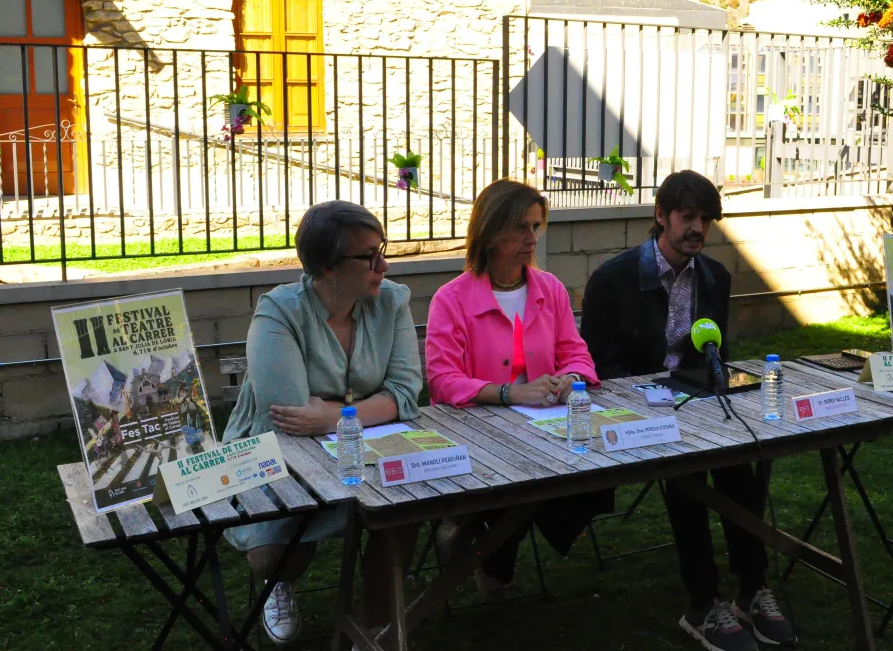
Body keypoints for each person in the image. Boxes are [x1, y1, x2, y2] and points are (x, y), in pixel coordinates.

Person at [580, 170, 795, 651]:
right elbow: (598, 364)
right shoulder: (613, 279)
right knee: (688, 472)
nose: (698, 228)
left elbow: (716, 352)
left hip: (699, 398)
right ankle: (703, 602)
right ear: (662, 216)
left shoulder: (715, 276)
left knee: (741, 461)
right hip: (636, 407)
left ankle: (752, 587)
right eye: (688, 216)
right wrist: (652, 400)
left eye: (707, 219)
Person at [221, 200, 423, 646]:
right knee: (272, 559)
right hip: (277, 451)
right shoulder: (279, 312)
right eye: (369, 256)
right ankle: (279, 584)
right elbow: (288, 415)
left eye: (382, 250)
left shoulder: (392, 301)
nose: (383, 265)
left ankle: (374, 626)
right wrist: (371, 405)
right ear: (330, 267)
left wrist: (333, 414)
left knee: (403, 507)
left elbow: (406, 393)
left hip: (364, 445)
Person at [425, 179, 611, 600]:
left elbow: (577, 353)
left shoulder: (551, 289)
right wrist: (508, 393)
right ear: (491, 232)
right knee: (522, 479)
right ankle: (489, 549)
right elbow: (442, 379)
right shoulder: (451, 299)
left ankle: (479, 539)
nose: (532, 238)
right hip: (481, 431)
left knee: (602, 472)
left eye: (536, 226)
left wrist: (571, 379)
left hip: (547, 424)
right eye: (521, 227)